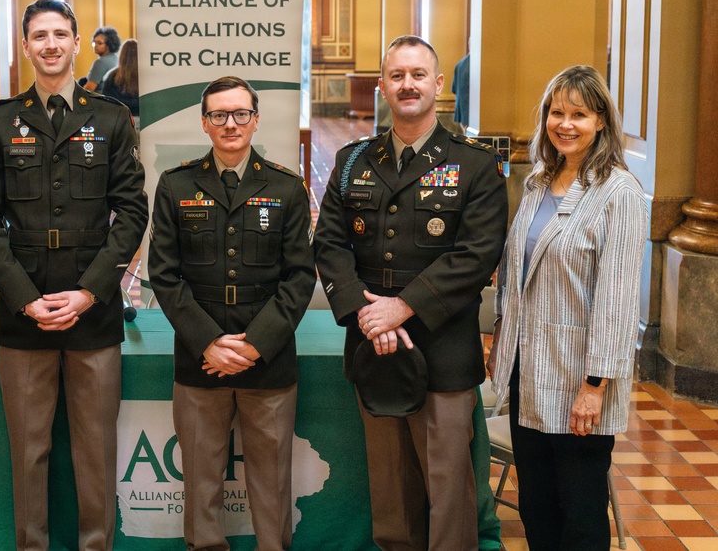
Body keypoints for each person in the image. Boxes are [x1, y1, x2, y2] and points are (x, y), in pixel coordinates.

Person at [314, 35, 508, 550]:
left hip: (442, 349)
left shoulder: (475, 165)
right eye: (397, 75)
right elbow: (329, 242)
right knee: (389, 484)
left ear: (438, 85)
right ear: (381, 85)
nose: (407, 85)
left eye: (418, 75)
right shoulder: (354, 160)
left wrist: (401, 308)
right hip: (371, 343)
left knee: (448, 484)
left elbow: (477, 254)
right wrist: (363, 311)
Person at [0, 0, 147, 551]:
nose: (50, 44)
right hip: (25, 317)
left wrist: (92, 292)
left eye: (60, 34)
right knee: (28, 451)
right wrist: (23, 297)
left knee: (95, 450)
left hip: (92, 314)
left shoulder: (111, 118)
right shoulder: (1, 121)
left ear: (77, 44)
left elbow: (133, 213)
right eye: (39, 35)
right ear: (26, 46)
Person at [148, 76, 316, 551]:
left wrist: (253, 345)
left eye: (240, 113)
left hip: (268, 359)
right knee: (200, 484)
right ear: (204, 123)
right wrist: (209, 343)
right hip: (200, 361)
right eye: (219, 115)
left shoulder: (285, 187)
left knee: (271, 484)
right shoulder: (176, 185)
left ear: (256, 120)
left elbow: (299, 278)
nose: (230, 123)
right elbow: (164, 274)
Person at [488, 65, 647, 550]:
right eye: (557, 112)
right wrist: (501, 336)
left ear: (601, 121)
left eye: (579, 113)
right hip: (528, 370)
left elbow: (617, 301)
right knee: (536, 503)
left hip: (581, 378)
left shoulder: (619, 192)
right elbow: (514, 268)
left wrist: (595, 385)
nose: (566, 123)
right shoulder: (538, 180)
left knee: (578, 511)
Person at [100, 38, 139, 124]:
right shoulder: (147, 76)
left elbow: (107, 102)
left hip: (121, 121)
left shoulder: (112, 76)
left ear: (122, 56)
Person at [84, 25, 121, 92]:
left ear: (108, 45)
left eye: (99, 43)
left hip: (98, 99)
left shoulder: (100, 62)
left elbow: (89, 88)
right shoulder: (117, 59)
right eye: (94, 43)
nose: (96, 46)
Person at [452, 51, 470, 131]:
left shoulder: (460, 64)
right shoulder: (477, 64)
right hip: (473, 114)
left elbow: (454, 89)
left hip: (461, 111)